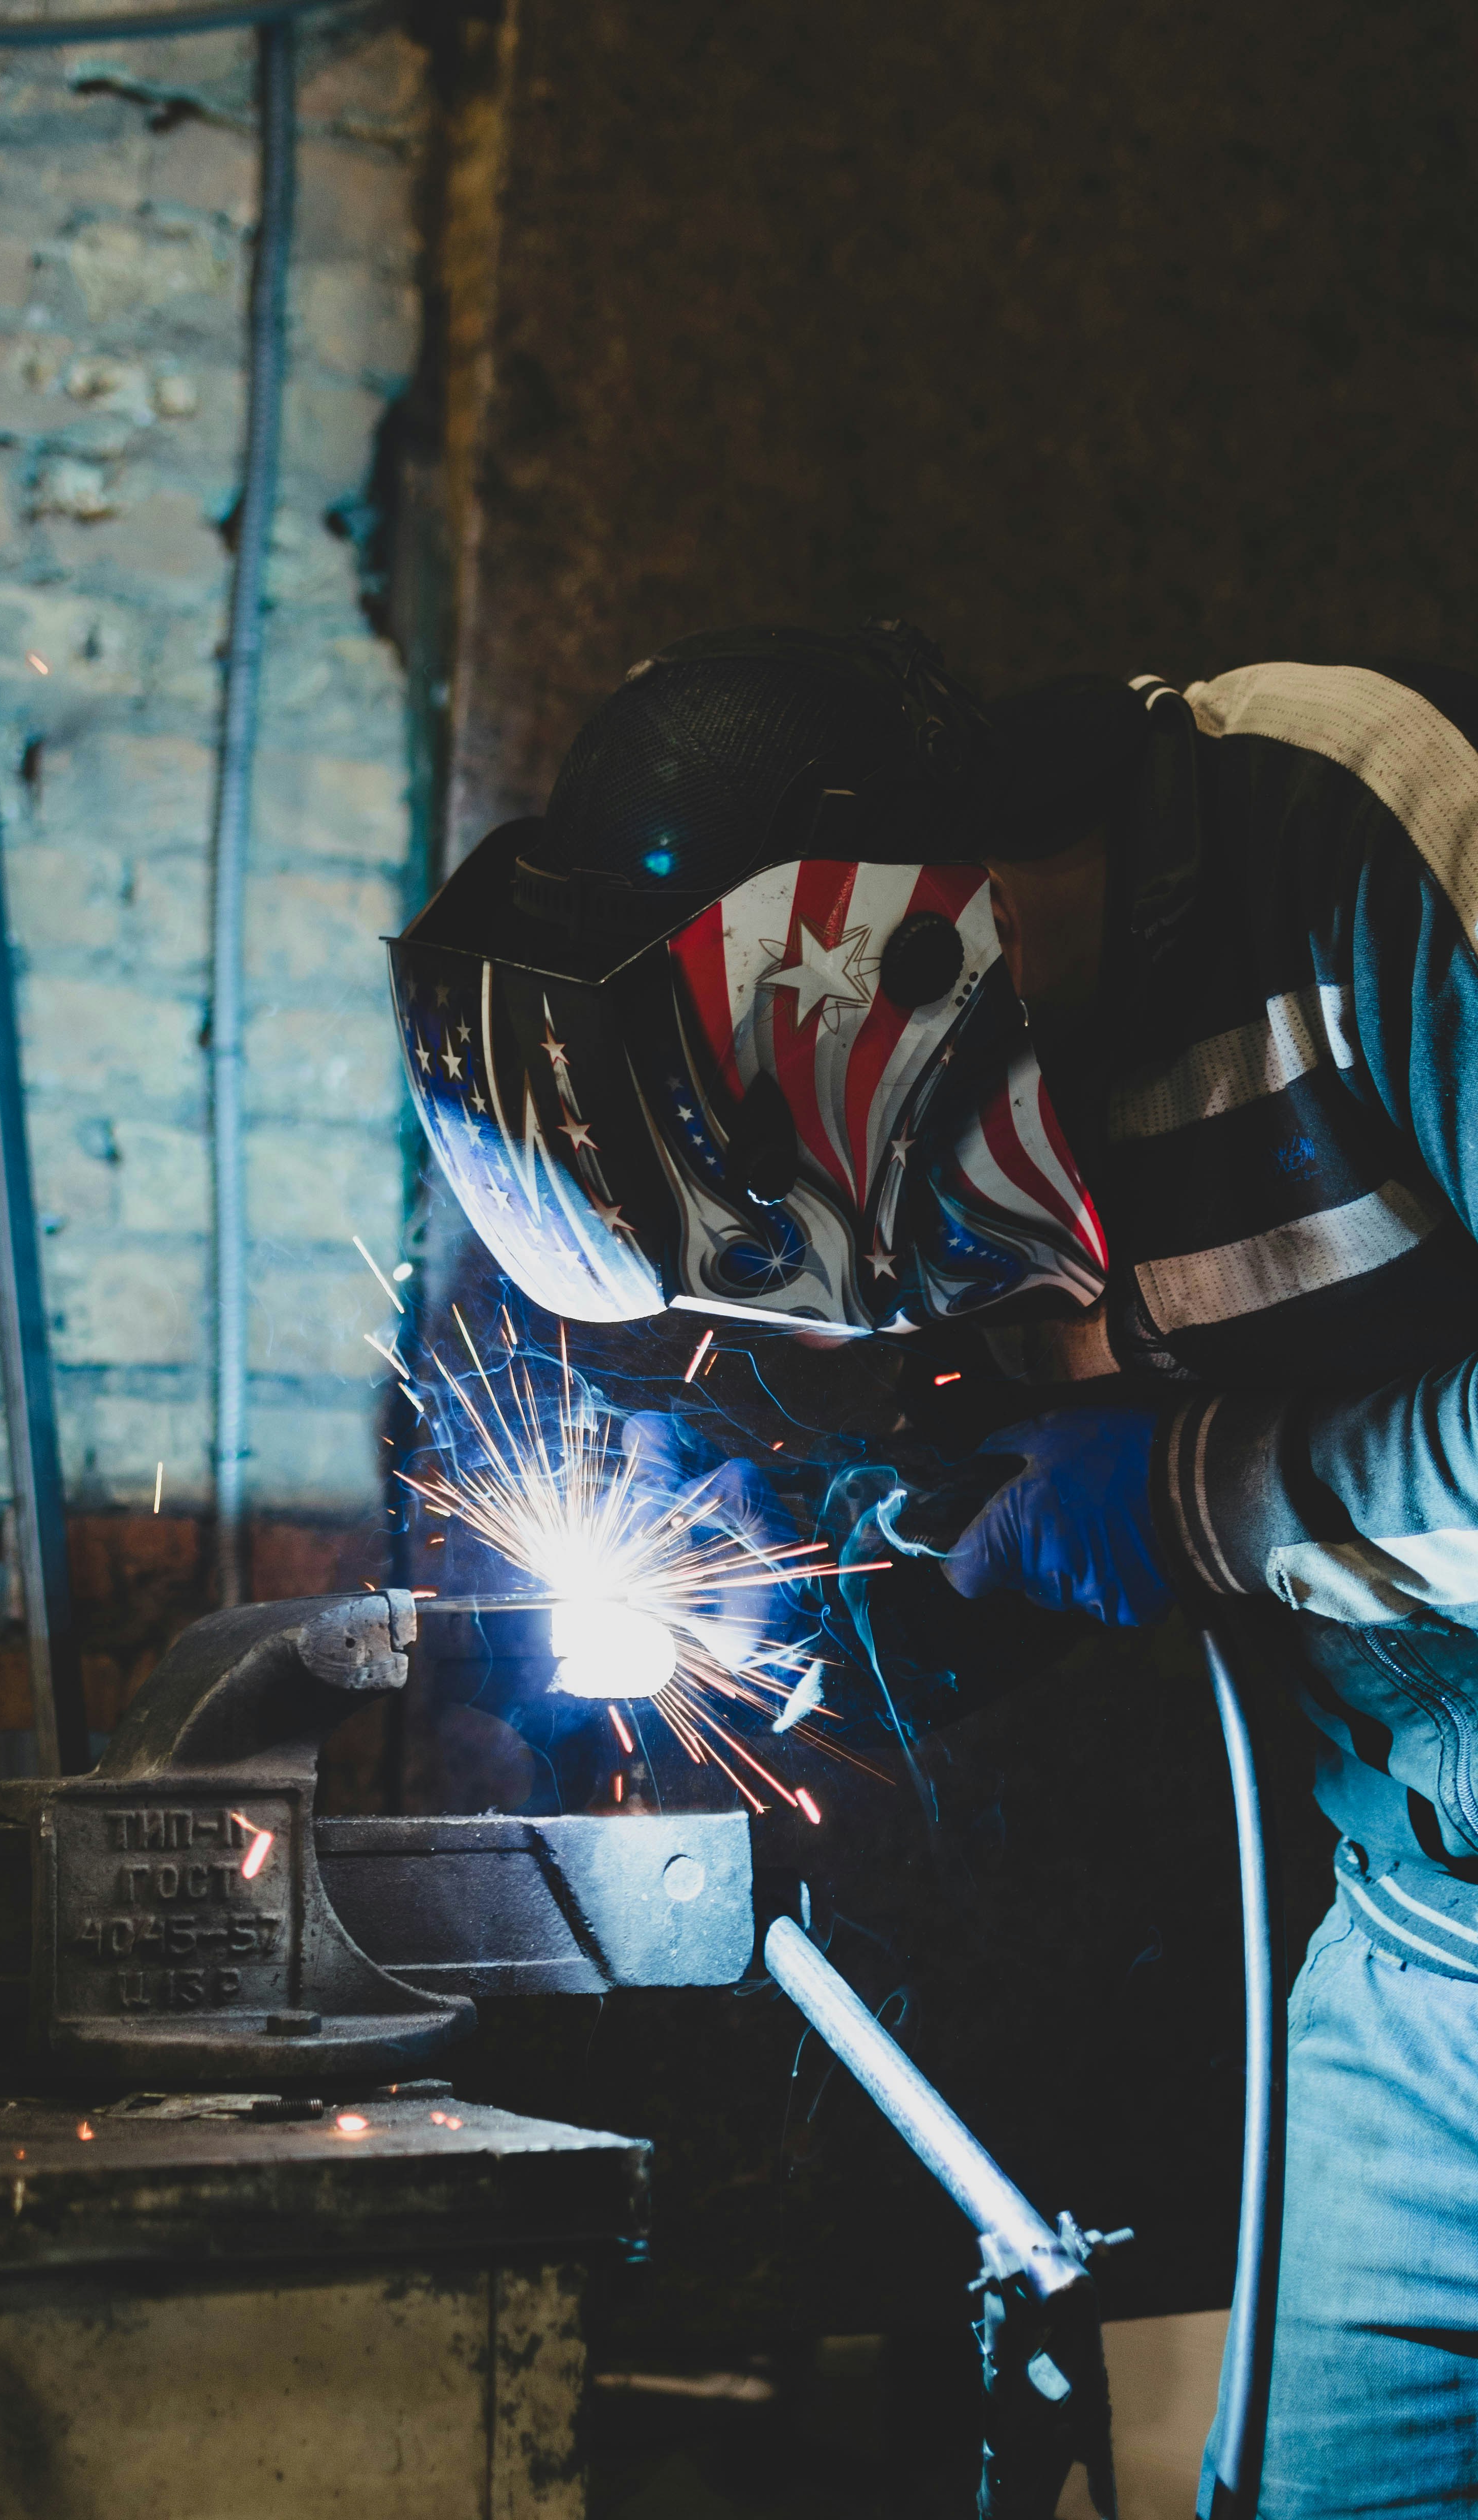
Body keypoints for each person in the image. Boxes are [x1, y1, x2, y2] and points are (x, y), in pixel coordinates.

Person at [389, 623, 1478, 2516]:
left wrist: (1191, 1503)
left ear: (865, 965)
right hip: (1420, 1952)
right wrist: (833, 1584)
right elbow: (1045, 1477)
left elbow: (1186, 1499)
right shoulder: (1014, 1114)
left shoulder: (1346, 832)